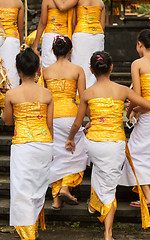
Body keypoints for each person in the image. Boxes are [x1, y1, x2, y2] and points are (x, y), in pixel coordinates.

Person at [66, 51, 150, 240]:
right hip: (115, 144)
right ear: (111, 67)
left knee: (100, 169)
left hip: (94, 144)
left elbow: (76, 123)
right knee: (109, 188)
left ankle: (93, 205)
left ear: (91, 70)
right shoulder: (123, 90)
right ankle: (108, 233)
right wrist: (132, 110)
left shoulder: (88, 93)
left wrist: (71, 138)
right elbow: (148, 105)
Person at [3, 48, 53, 240]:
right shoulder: (47, 94)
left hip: (23, 144)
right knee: (38, 188)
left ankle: (27, 232)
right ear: (38, 68)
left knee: (22, 188)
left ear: (18, 70)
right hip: (44, 143)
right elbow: (49, 125)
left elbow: (7, 121)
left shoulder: (11, 95)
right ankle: (30, 227)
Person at [38, 35, 88, 209]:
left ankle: (56, 198)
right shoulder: (78, 69)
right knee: (76, 153)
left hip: (51, 117)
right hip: (71, 116)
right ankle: (66, 186)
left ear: (53, 50)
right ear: (70, 50)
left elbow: (43, 98)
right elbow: (83, 98)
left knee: (56, 156)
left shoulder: (46, 71)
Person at [120, 29, 150, 209]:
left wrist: (130, 112)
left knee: (134, 152)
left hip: (147, 114)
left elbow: (137, 95)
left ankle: (149, 197)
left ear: (140, 45)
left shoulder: (137, 63)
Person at [32, 0, 77, 69]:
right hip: (65, 37)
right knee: (64, 67)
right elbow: (73, 24)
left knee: (48, 67)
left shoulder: (47, 1)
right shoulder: (70, 2)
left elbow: (42, 23)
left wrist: (35, 45)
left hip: (49, 37)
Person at [71, 0, 105, 89]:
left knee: (79, 63)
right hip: (97, 35)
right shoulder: (101, 3)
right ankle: (94, 91)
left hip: (81, 34)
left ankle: (79, 91)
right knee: (96, 63)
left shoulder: (78, 1)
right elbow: (102, 25)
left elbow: (73, 22)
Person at [0, 0, 24, 89]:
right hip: (13, 40)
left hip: (1, 38)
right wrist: (20, 45)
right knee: (11, 72)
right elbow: (21, 28)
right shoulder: (18, 3)